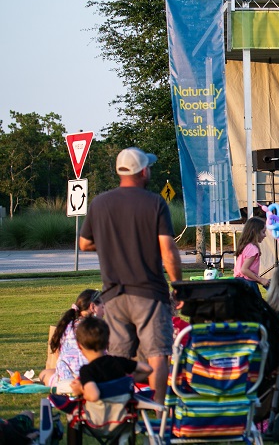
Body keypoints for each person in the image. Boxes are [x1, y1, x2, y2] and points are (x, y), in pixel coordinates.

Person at [78, 147, 182, 404]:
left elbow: (83, 243)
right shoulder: (154, 203)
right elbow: (168, 251)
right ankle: (157, 415)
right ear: (143, 171)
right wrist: (179, 285)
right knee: (158, 354)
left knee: (118, 357)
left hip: (113, 295)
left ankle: (119, 411)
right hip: (149, 293)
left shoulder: (99, 203)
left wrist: (112, 242)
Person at [69, 316, 153, 403]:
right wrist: (128, 381)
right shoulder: (119, 362)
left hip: (100, 414)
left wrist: (80, 389)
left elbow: (93, 396)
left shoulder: (87, 371)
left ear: (79, 346)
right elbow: (147, 369)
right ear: (107, 344)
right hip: (123, 413)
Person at [39, 289, 102, 386]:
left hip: (64, 381)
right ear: (93, 306)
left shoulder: (67, 325)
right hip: (90, 379)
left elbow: (57, 353)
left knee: (44, 373)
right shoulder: (96, 328)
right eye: (103, 306)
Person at [233, 217, 270, 291]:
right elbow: (244, 270)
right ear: (254, 232)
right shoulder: (253, 249)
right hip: (247, 284)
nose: (265, 235)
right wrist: (261, 280)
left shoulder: (246, 246)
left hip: (239, 282)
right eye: (263, 232)